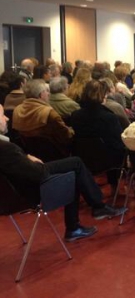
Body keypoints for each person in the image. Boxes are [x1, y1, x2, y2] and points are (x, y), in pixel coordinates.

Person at [0, 104, 126, 242]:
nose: (7, 118)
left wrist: (25, 157)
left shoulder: (6, 148)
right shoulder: (6, 149)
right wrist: (30, 160)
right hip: (27, 194)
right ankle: (93, 210)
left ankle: (83, 219)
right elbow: (38, 173)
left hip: (8, 196)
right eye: (2, 115)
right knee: (75, 166)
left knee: (74, 169)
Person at [71, 80, 126, 192]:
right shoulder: (109, 117)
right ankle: (116, 187)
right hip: (107, 159)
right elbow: (118, 141)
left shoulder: (75, 115)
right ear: (103, 96)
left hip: (83, 156)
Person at [13, 79, 74, 157]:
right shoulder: (49, 113)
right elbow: (66, 136)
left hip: (29, 154)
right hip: (55, 154)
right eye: (47, 91)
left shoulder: (17, 110)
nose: (49, 94)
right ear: (41, 95)